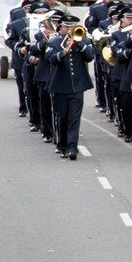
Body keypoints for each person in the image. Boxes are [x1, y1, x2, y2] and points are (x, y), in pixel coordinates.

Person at [45, 15, 94, 159]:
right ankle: (62, 145)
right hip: (60, 85)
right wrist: (64, 52)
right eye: (67, 27)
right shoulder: (54, 42)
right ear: (62, 27)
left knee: (74, 117)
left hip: (78, 85)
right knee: (63, 117)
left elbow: (90, 56)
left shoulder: (83, 41)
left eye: (73, 27)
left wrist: (79, 44)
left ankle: (72, 148)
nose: (70, 30)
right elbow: (51, 59)